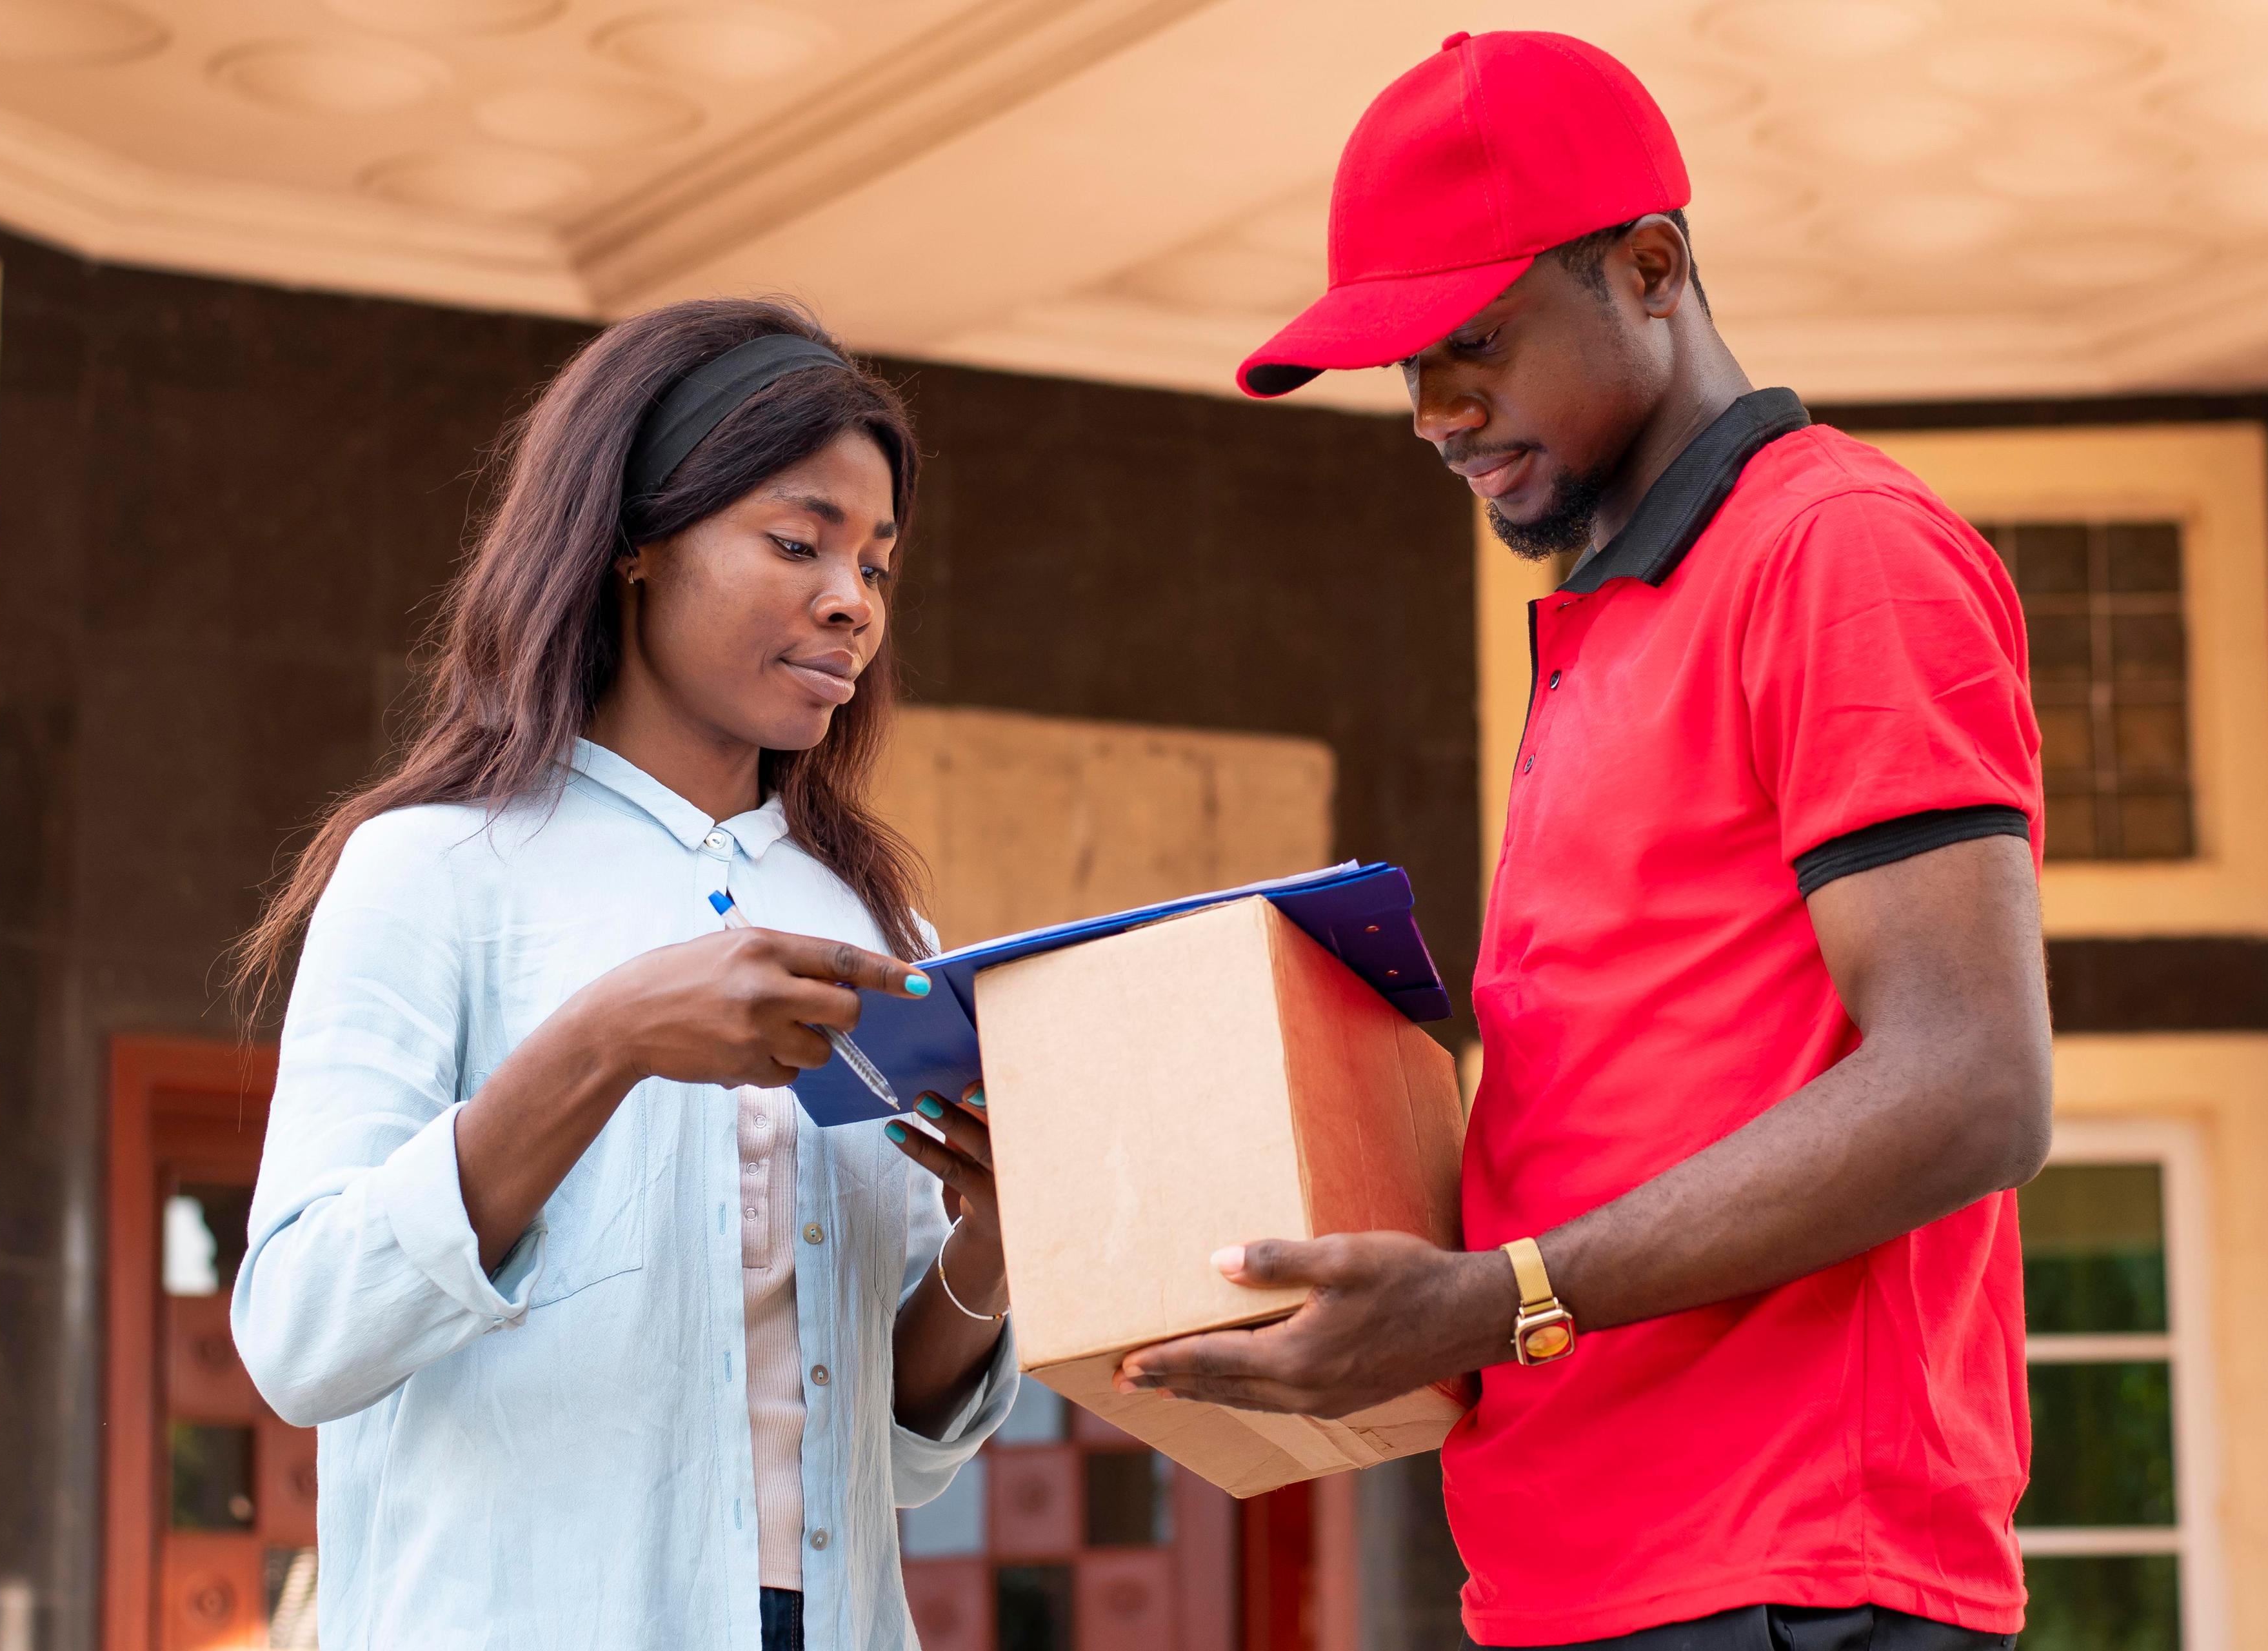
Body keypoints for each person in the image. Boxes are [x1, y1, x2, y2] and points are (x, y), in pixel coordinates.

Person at [1117, 32, 2049, 1651]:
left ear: (1651, 268)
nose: (1432, 411)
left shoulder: (1839, 556)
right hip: (1579, 1577)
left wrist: (1499, 1296)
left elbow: (1972, 1078)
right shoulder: (1610, 622)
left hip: (1783, 1575)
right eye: (1404, 368)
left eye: (1472, 341)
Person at [230, 299, 1015, 1651]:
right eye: (798, 541)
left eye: (877, 566)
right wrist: (603, 1042)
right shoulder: (433, 872)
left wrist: (997, 1239)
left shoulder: (881, 926)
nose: (852, 600)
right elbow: (304, 1337)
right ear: (635, 543)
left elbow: (903, 1453)